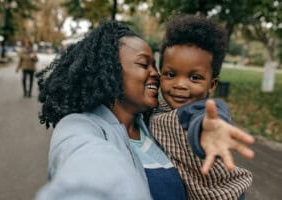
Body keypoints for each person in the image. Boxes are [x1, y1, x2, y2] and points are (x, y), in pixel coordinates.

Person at [35, 21, 253, 200]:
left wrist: (206, 129)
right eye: (144, 64)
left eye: (155, 66)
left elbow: (198, 115)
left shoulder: (152, 121)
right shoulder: (82, 127)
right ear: (111, 70)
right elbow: (86, 164)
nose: (156, 74)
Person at [149, 14, 254, 200]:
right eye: (171, 74)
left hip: (223, 194)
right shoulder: (157, 106)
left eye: (194, 77)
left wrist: (207, 129)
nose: (180, 84)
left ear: (212, 85)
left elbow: (203, 118)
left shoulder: (203, 110)